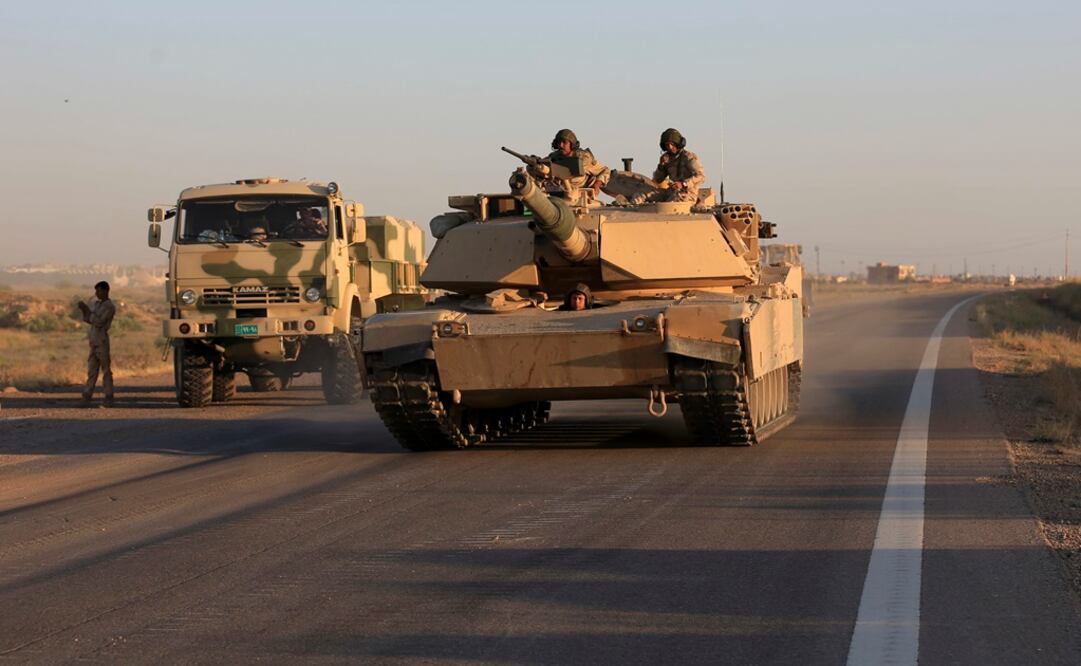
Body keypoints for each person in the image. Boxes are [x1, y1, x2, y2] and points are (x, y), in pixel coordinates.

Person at [632, 128, 706, 204]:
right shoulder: (666, 158)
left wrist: (683, 184)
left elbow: (701, 176)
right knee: (641, 194)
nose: (670, 147)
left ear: (678, 143)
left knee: (670, 205)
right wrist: (661, 165)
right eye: (667, 145)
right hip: (670, 192)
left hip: (687, 193)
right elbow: (657, 180)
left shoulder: (689, 157)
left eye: (672, 144)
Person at [77, 281, 116, 407]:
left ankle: (108, 396)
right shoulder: (97, 304)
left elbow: (98, 321)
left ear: (105, 291)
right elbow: (89, 319)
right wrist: (85, 311)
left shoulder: (109, 307)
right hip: (94, 340)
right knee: (92, 370)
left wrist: (87, 311)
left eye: (98, 291)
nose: (96, 293)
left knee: (106, 370)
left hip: (102, 340)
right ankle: (87, 396)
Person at [545, 129, 610, 200]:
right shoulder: (553, 157)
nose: (561, 145)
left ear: (571, 144)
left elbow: (605, 170)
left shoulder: (583, 159)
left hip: (582, 196)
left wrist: (597, 185)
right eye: (559, 142)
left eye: (564, 142)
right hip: (560, 196)